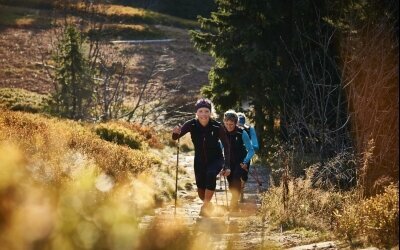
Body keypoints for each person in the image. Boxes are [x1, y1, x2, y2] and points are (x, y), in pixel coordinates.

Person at [172, 98, 231, 216]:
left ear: (210, 112)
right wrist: (175, 132)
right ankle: (208, 204)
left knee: (210, 175)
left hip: (216, 159)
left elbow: (226, 145)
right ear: (197, 113)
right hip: (199, 161)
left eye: (206, 111)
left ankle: (204, 207)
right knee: (200, 191)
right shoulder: (191, 124)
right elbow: (175, 137)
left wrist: (227, 165)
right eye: (201, 111)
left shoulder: (217, 126)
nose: (203, 114)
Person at [223, 110, 254, 211]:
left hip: (241, 160)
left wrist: (245, 161)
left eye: (231, 124)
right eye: (227, 124)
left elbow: (251, 150)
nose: (229, 126)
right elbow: (219, 147)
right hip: (229, 161)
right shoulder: (223, 132)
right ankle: (235, 199)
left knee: (236, 178)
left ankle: (234, 203)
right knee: (231, 183)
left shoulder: (242, 132)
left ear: (236, 122)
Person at [236, 112, 259, 201]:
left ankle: (240, 192)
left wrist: (249, 147)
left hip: (245, 155)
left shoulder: (249, 129)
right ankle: (237, 193)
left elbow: (255, 145)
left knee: (243, 175)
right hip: (240, 154)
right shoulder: (249, 129)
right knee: (238, 175)